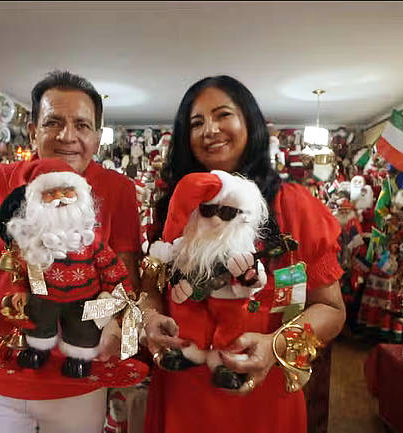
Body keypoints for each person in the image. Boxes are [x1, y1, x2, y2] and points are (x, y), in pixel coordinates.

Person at [140, 75, 346, 433]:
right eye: (196, 122)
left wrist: (277, 345)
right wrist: (149, 317)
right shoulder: (176, 206)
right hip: (182, 387)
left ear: (249, 123)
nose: (210, 129)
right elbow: (151, 289)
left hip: (264, 394)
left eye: (222, 115)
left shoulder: (296, 208)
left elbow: (331, 309)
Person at [0, 70, 141, 433]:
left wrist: (113, 327)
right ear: (33, 132)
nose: (68, 136)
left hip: (79, 380)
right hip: (0, 373)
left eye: (82, 125)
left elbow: (126, 279)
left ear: (97, 136)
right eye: (53, 122)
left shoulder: (118, 190)